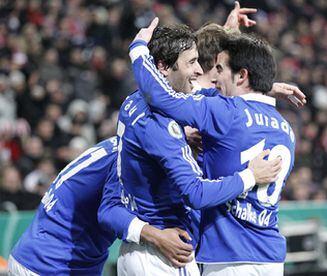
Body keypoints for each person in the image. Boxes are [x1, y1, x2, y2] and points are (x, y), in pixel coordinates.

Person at [130, 18, 297, 276]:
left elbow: (160, 97)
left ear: (242, 75)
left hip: (230, 257)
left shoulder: (225, 112)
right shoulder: (287, 129)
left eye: (220, 70)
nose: (214, 78)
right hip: (271, 257)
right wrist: (267, 88)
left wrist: (139, 49)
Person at [8, 137, 198, 275]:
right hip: (52, 264)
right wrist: (158, 237)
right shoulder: (129, 158)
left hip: (40, 253)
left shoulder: (124, 143)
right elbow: (110, 213)